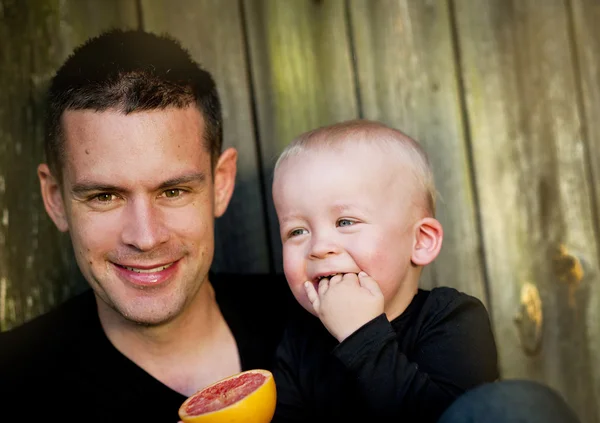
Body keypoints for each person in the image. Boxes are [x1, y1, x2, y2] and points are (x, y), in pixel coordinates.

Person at [0, 29, 296, 422]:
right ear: (54, 199)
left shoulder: (326, 325)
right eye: (104, 196)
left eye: (173, 191)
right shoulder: (11, 384)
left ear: (221, 184)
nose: (145, 236)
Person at [270, 119, 500, 422]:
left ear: (420, 241)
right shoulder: (301, 340)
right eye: (297, 231)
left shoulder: (452, 318)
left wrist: (361, 335)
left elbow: (447, 417)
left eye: (345, 222)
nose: (318, 247)